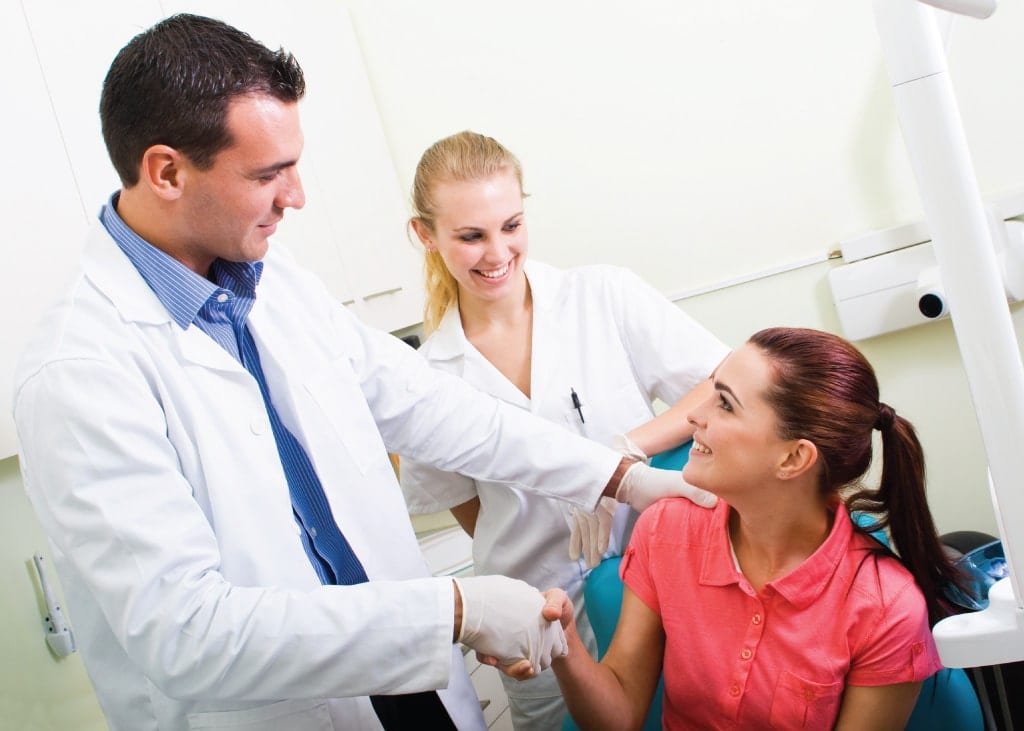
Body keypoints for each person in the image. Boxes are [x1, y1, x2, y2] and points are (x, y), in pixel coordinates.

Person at [10, 15, 651, 731]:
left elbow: (432, 406)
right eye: (267, 174)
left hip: (412, 687)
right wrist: (458, 608)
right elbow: (185, 632)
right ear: (166, 171)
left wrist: (617, 476)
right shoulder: (78, 371)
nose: (297, 195)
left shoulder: (273, 277)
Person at [399, 130, 730, 729]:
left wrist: (624, 458)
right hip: (537, 617)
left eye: (512, 225)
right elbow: (470, 510)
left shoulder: (602, 295)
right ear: (424, 235)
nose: (497, 252)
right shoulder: (428, 375)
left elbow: (722, 382)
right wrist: (542, 527)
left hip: (656, 586)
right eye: (470, 236)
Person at [542, 327, 968, 730]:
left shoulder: (885, 607)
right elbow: (619, 715)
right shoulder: (664, 530)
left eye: (724, 403)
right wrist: (563, 643)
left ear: (793, 459)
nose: (694, 416)